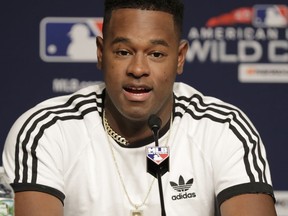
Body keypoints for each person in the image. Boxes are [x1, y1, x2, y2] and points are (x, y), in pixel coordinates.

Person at [2, 0, 277, 215]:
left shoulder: (223, 129)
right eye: (123, 52)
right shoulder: (47, 131)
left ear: (179, 58)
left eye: (156, 54)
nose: (137, 69)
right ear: (100, 52)